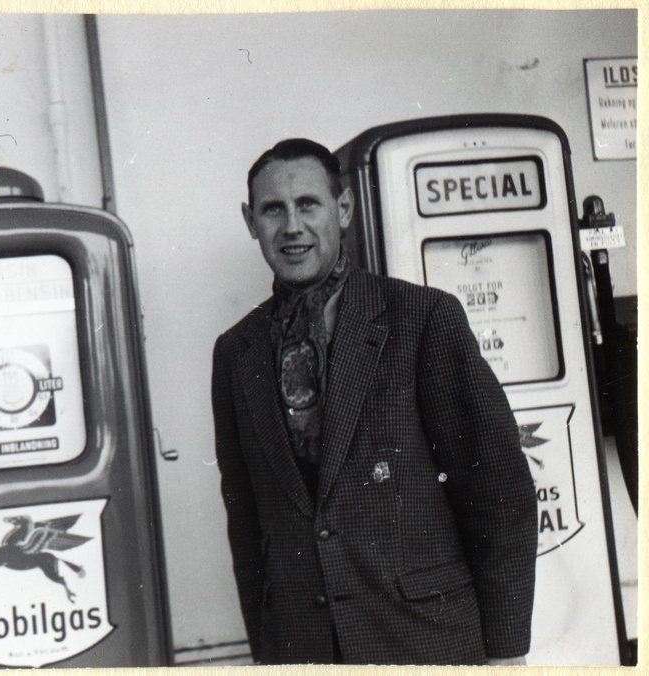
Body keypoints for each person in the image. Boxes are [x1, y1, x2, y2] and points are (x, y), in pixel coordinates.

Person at [211, 138, 538, 666]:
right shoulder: (235, 351)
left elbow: (498, 489)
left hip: (424, 642)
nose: (292, 226)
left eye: (308, 204)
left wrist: (506, 650)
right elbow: (245, 522)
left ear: (343, 209)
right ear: (251, 221)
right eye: (273, 209)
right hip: (304, 650)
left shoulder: (421, 319)